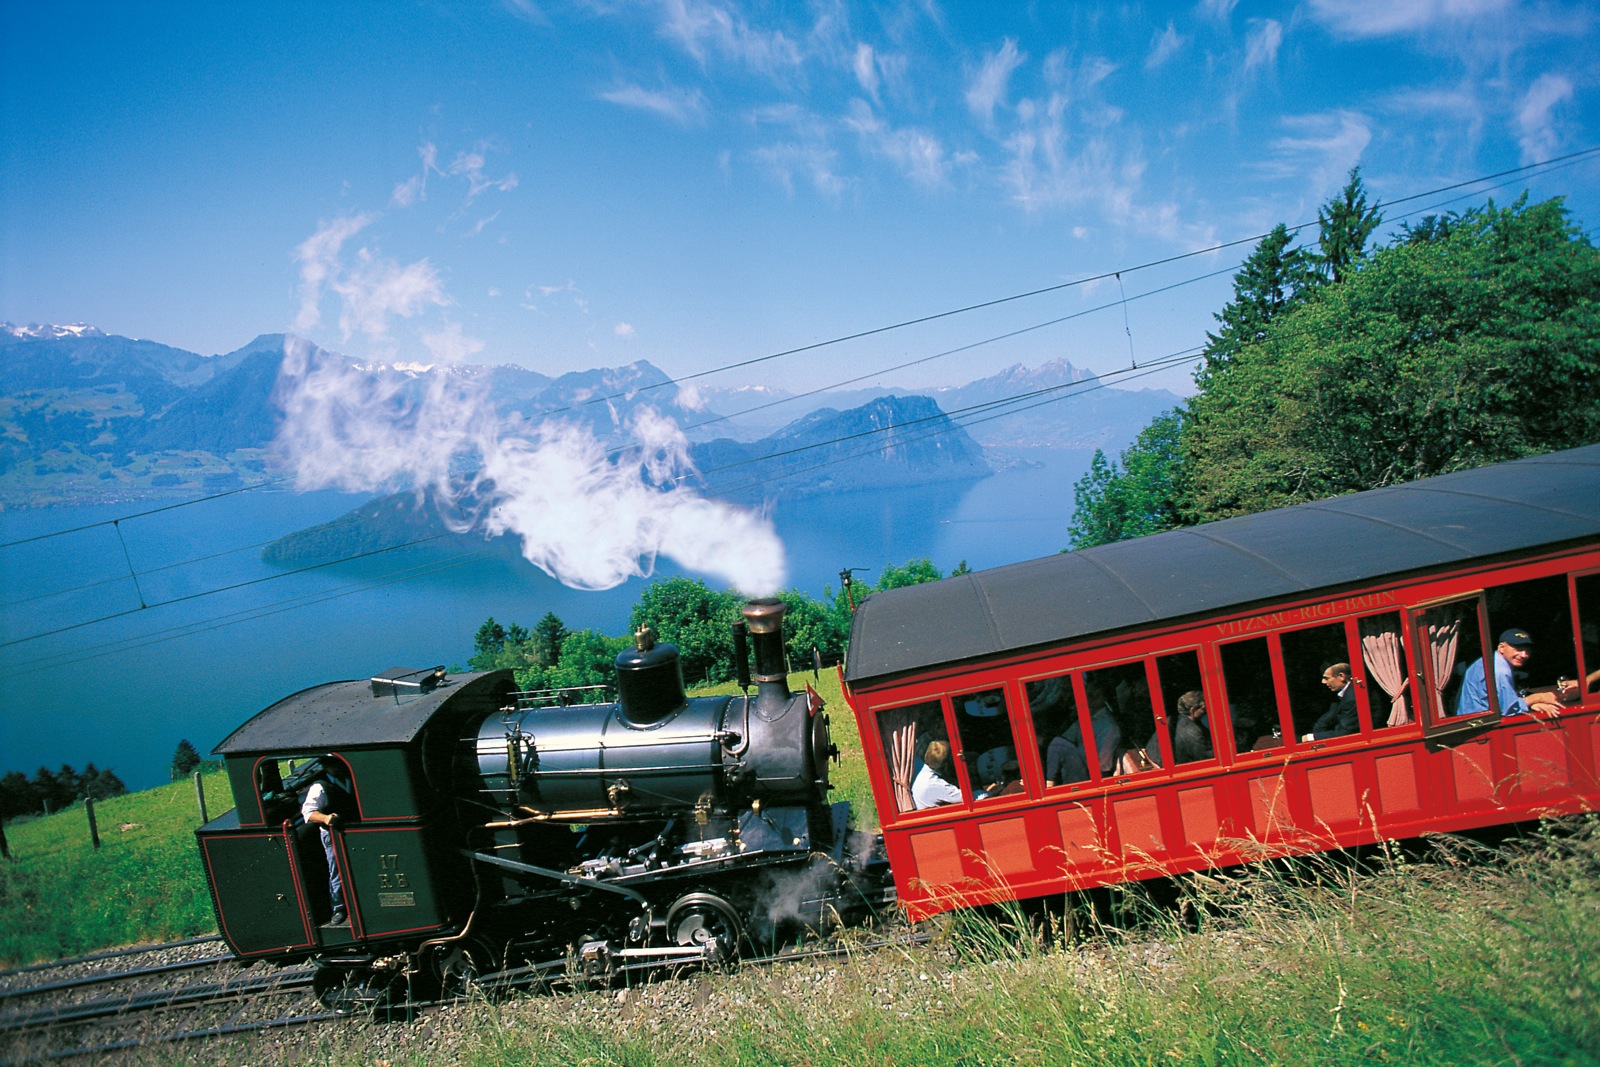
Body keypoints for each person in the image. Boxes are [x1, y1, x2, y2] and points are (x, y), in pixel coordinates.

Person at [1456, 629, 1563, 718]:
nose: (1524, 655)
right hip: (1481, 729)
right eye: (1518, 649)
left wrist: (1532, 704)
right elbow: (1508, 709)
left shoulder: (1488, 661)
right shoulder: (1500, 670)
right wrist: (1539, 698)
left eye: (1527, 651)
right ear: (1502, 647)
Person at [301, 768, 347, 925]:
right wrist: (326, 818)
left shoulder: (347, 777)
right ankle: (339, 907)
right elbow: (308, 812)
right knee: (336, 869)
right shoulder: (320, 787)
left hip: (350, 830)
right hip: (332, 834)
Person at [1301, 663, 1359, 741]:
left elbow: (1345, 732)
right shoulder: (1339, 694)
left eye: (1326, 678)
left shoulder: (1351, 698)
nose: (1323, 682)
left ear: (1341, 676)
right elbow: (1327, 719)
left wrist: (1312, 737)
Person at [911, 739, 962, 808]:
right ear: (945, 764)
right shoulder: (934, 783)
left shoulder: (916, 764)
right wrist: (980, 791)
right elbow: (964, 797)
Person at [1171, 690, 1215, 764]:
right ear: (1192, 710)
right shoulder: (1190, 731)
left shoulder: (1184, 722)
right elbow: (1204, 756)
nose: (1205, 712)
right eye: (1203, 709)